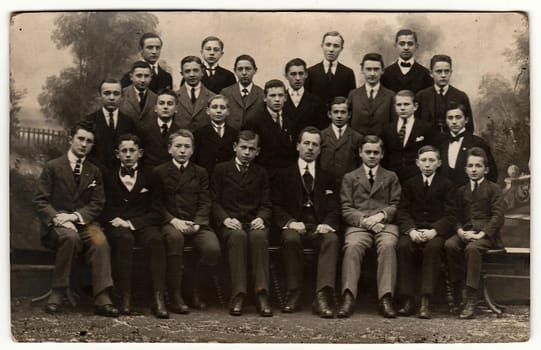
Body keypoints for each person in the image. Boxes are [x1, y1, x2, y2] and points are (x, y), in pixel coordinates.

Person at [34, 120, 119, 317]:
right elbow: (41, 201)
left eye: (89, 141)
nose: (84, 144)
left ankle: (102, 296)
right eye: (80, 139)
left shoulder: (94, 171)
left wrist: (75, 217)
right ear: (70, 140)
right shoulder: (52, 167)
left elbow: (98, 203)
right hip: (58, 224)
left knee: (101, 241)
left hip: (85, 222)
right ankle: (58, 291)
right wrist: (58, 218)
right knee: (70, 238)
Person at [272, 127, 340, 318]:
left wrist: (327, 223)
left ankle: (322, 296)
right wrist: (291, 222)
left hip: (319, 226)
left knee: (332, 239)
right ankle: (293, 292)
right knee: (291, 239)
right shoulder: (284, 175)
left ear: (320, 149)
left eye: (315, 145)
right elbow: (276, 205)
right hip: (294, 226)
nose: (310, 148)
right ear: (298, 146)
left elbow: (335, 207)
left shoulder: (328, 176)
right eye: (306, 143)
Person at [151, 129, 221, 313]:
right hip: (171, 223)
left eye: (187, 147)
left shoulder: (200, 172)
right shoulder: (158, 172)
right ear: (169, 149)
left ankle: (193, 289)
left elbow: (206, 201)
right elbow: (156, 204)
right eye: (178, 146)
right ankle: (175, 295)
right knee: (175, 240)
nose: (182, 150)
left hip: (195, 222)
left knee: (212, 249)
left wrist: (198, 222)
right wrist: (173, 220)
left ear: (192, 150)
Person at [102, 134, 169, 318]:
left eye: (132, 151)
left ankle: (158, 298)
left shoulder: (151, 175)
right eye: (124, 151)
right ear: (117, 154)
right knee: (124, 239)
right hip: (117, 224)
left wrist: (132, 223)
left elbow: (157, 211)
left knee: (156, 239)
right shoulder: (108, 176)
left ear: (140, 153)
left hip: (143, 223)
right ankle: (125, 296)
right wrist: (118, 221)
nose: (128, 155)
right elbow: (103, 207)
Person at [210, 130, 273, 317]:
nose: (247, 152)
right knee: (238, 237)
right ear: (235, 147)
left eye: (251, 149)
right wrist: (225, 219)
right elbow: (214, 201)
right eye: (243, 147)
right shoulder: (221, 169)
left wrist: (261, 217)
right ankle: (238, 294)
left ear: (258, 151)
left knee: (259, 237)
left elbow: (266, 203)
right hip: (231, 223)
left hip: (253, 222)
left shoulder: (261, 172)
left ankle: (262, 293)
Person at [338, 135, 401, 318]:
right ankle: (348, 296)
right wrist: (366, 221)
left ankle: (386, 298)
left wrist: (381, 216)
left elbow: (396, 204)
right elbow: (346, 207)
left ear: (382, 155)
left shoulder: (391, 177)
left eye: (376, 152)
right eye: (368, 152)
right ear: (360, 153)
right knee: (352, 246)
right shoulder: (350, 177)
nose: (372, 156)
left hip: (385, 225)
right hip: (359, 225)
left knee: (388, 245)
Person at [395, 145, 456, 319]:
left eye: (431, 160)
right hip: (415, 230)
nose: (427, 164)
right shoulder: (409, 184)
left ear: (439, 163)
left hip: (435, 233)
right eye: (423, 160)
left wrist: (435, 230)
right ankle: (408, 298)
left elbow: (451, 214)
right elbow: (403, 211)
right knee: (403, 246)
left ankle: (425, 299)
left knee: (433, 248)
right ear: (417, 163)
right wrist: (411, 230)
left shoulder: (446, 185)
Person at [444, 147, 504, 319]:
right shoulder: (461, 191)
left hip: (487, 237)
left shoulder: (493, 189)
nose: (474, 169)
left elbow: (498, 216)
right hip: (466, 232)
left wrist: (482, 234)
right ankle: (460, 289)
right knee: (449, 244)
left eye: (478, 166)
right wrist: (459, 231)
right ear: (465, 169)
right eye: (470, 166)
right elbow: (454, 215)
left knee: (472, 249)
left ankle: (471, 297)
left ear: (486, 169)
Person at [243, 79, 296, 183]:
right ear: (265, 98)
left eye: (280, 95)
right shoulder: (254, 119)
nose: (277, 99)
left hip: (287, 176)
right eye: (272, 96)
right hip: (263, 176)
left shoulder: (290, 117)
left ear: (285, 98)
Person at [84, 78, 138, 174]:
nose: (112, 98)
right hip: (96, 176)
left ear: (122, 96)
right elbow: (86, 152)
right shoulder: (89, 121)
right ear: (100, 96)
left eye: (116, 93)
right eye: (107, 93)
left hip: (122, 176)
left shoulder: (130, 122)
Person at [381, 90, 434, 183]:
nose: (402, 108)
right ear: (394, 107)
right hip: (392, 177)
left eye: (406, 104)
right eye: (399, 105)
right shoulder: (387, 129)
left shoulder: (426, 128)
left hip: (417, 177)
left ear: (415, 106)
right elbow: (384, 155)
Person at [439, 102, 498, 187]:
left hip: (471, 197)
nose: (454, 122)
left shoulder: (478, 143)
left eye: (458, 117)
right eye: (450, 118)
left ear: (466, 120)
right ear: (446, 120)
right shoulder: (441, 143)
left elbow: (491, 174)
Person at [415, 54, 474, 138]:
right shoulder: (421, 96)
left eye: (446, 71)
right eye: (439, 71)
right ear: (431, 73)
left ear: (451, 73)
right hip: (427, 145)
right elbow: (415, 125)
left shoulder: (461, 96)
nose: (443, 75)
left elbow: (469, 127)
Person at [320, 96, 363, 187]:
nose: (339, 116)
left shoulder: (357, 138)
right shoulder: (321, 136)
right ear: (329, 114)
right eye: (335, 112)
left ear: (349, 115)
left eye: (343, 112)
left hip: (350, 186)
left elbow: (360, 166)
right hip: (326, 187)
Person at [348, 53, 395, 137]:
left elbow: (393, 125)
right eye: (368, 69)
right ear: (362, 70)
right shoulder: (353, 94)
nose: (372, 73)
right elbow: (348, 123)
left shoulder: (390, 96)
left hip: (381, 145)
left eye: (376, 69)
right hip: (357, 145)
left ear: (382, 71)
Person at [193, 95, 239, 178]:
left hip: (228, 178)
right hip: (206, 176)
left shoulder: (234, 133)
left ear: (228, 111)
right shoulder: (199, 133)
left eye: (222, 107)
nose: (218, 111)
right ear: (208, 111)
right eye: (214, 107)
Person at [305, 31, 356, 104]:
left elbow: (351, 102)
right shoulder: (310, 72)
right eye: (328, 45)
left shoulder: (348, 73)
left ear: (341, 49)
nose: (331, 49)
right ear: (322, 46)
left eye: (336, 46)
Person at [282, 58, 328, 139]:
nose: (297, 78)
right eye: (293, 74)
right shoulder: (280, 100)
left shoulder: (316, 102)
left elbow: (321, 130)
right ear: (286, 76)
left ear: (306, 74)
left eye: (301, 73)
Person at [220, 54, 265, 130]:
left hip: (252, 139)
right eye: (240, 69)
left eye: (248, 69)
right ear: (235, 71)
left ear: (255, 70)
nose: (244, 73)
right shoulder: (225, 93)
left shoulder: (261, 94)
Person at [381, 29, 433, 94]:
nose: (406, 47)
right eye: (402, 44)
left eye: (410, 44)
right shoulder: (385, 74)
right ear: (395, 45)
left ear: (416, 46)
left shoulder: (426, 74)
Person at [140, 88, 181, 168]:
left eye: (170, 104)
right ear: (155, 108)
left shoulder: (180, 132)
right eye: (161, 103)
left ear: (176, 109)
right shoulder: (144, 130)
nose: (165, 107)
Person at [175, 56, 216, 131]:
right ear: (182, 74)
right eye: (187, 71)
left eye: (195, 70)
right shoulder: (174, 97)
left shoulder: (212, 97)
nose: (192, 75)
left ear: (202, 72)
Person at [119, 61, 158, 128]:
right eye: (139, 76)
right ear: (131, 77)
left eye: (146, 76)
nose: (143, 80)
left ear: (151, 77)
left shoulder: (156, 98)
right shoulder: (122, 95)